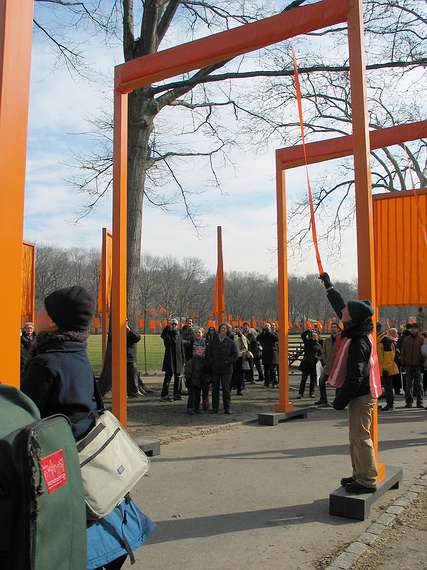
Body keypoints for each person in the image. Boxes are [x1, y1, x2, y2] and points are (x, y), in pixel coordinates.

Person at [21, 286, 154, 569]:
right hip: (87, 455)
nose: (38, 313)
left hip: (64, 461)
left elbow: (29, 419)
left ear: (55, 320)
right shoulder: (76, 354)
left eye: (45, 309)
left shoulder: (45, 362)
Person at [319, 272, 381, 494]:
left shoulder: (359, 342)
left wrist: (340, 400)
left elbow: (356, 375)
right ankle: (358, 474)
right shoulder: (355, 329)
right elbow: (340, 306)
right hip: (358, 395)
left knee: (361, 437)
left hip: (361, 396)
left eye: (345, 311)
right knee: (354, 436)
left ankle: (367, 480)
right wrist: (329, 286)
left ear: (352, 318)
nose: (341, 312)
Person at [206, 323, 238, 414]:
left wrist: (228, 361)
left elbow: (235, 354)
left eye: (225, 328)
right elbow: (208, 353)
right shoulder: (213, 341)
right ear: (219, 330)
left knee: (226, 389)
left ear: (227, 330)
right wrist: (211, 362)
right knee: (215, 389)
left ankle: (227, 408)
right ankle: (215, 408)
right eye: (222, 328)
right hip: (215, 368)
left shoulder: (230, 342)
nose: (223, 330)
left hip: (227, 369)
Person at [184, 328, 209, 414]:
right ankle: (190, 407)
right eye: (196, 332)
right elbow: (187, 354)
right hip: (193, 365)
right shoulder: (191, 343)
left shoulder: (206, 343)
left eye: (199, 332)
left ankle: (198, 407)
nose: (198, 334)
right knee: (192, 391)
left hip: (202, 365)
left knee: (199, 390)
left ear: (202, 333)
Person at [160, 318, 186, 401]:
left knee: (178, 378)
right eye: (172, 324)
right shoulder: (168, 336)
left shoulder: (179, 335)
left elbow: (182, 348)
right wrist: (168, 326)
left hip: (178, 360)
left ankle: (177, 394)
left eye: (175, 324)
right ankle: (164, 395)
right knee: (168, 378)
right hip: (170, 360)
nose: (174, 325)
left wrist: (183, 360)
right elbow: (163, 335)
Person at [401, 322, 424, 408]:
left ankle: (420, 402)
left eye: (414, 328)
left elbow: (424, 353)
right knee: (408, 385)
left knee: (419, 385)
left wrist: (423, 364)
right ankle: (409, 402)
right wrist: (402, 362)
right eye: (412, 329)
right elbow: (403, 352)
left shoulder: (421, 339)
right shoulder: (406, 339)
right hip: (408, 365)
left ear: (417, 329)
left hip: (418, 365)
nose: (413, 330)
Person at [315, 322, 339, 407]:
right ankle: (323, 399)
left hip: (337, 366)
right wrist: (325, 362)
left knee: (338, 383)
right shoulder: (327, 340)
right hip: (328, 366)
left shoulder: (341, 340)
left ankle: (337, 400)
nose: (333, 329)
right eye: (332, 327)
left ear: (338, 329)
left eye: (335, 327)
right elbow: (323, 352)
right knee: (321, 380)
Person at [377, 325, 400, 411]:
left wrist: (386, 369)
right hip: (380, 367)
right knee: (384, 387)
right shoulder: (379, 340)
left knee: (388, 387)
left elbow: (389, 357)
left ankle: (390, 404)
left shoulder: (386, 341)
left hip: (386, 368)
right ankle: (388, 404)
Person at [298, 330, 322, 399]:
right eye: (313, 336)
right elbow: (303, 335)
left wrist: (317, 358)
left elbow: (321, 355)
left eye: (315, 336)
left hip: (314, 364)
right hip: (306, 363)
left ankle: (311, 393)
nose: (314, 337)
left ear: (317, 337)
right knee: (303, 379)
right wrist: (309, 331)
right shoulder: (307, 342)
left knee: (313, 380)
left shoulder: (319, 345)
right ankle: (300, 393)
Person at [257, 323, 279, 387]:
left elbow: (276, 338)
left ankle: (274, 382)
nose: (266, 328)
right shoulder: (263, 334)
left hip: (272, 353)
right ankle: (266, 383)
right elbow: (257, 338)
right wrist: (262, 332)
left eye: (268, 326)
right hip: (265, 353)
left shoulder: (274, 333)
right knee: (266, 369)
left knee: (272, 369)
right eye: (265, 326)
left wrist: (269, 332)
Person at [126, 321, 143, 398]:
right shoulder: (116, 330)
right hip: (120, 357)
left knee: (132, 375)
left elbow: (137, 337)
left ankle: (133, 391)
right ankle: (128, 391)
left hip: (129, 357)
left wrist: (129, 331)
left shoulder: (130, 331)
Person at [232, 327, 249, 395]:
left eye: (237, 330)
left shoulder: (243, 337)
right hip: (235, 357)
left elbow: (246, 346)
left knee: (240, 374)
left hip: (241, 357)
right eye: (235, 330)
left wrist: (241, 336)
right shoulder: (232, 337)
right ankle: (235, 386)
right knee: (235, 373)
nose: (236, 331)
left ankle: (239, 388)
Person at [388, 328, 402, 395]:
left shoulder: (395, 341)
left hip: (396, 362)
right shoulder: (390, 341)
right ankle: (396, 390)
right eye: (396, 333)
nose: (397, 334)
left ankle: (397, 390)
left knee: (397, 376)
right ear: (393, 333)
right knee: (395, 377)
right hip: (393, 362)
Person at [422, 332, 427, 397]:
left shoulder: (424, 343)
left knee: (425, 379)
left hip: (425, 363)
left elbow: (424, 353)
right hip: (425, 363)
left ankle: (424, 390)